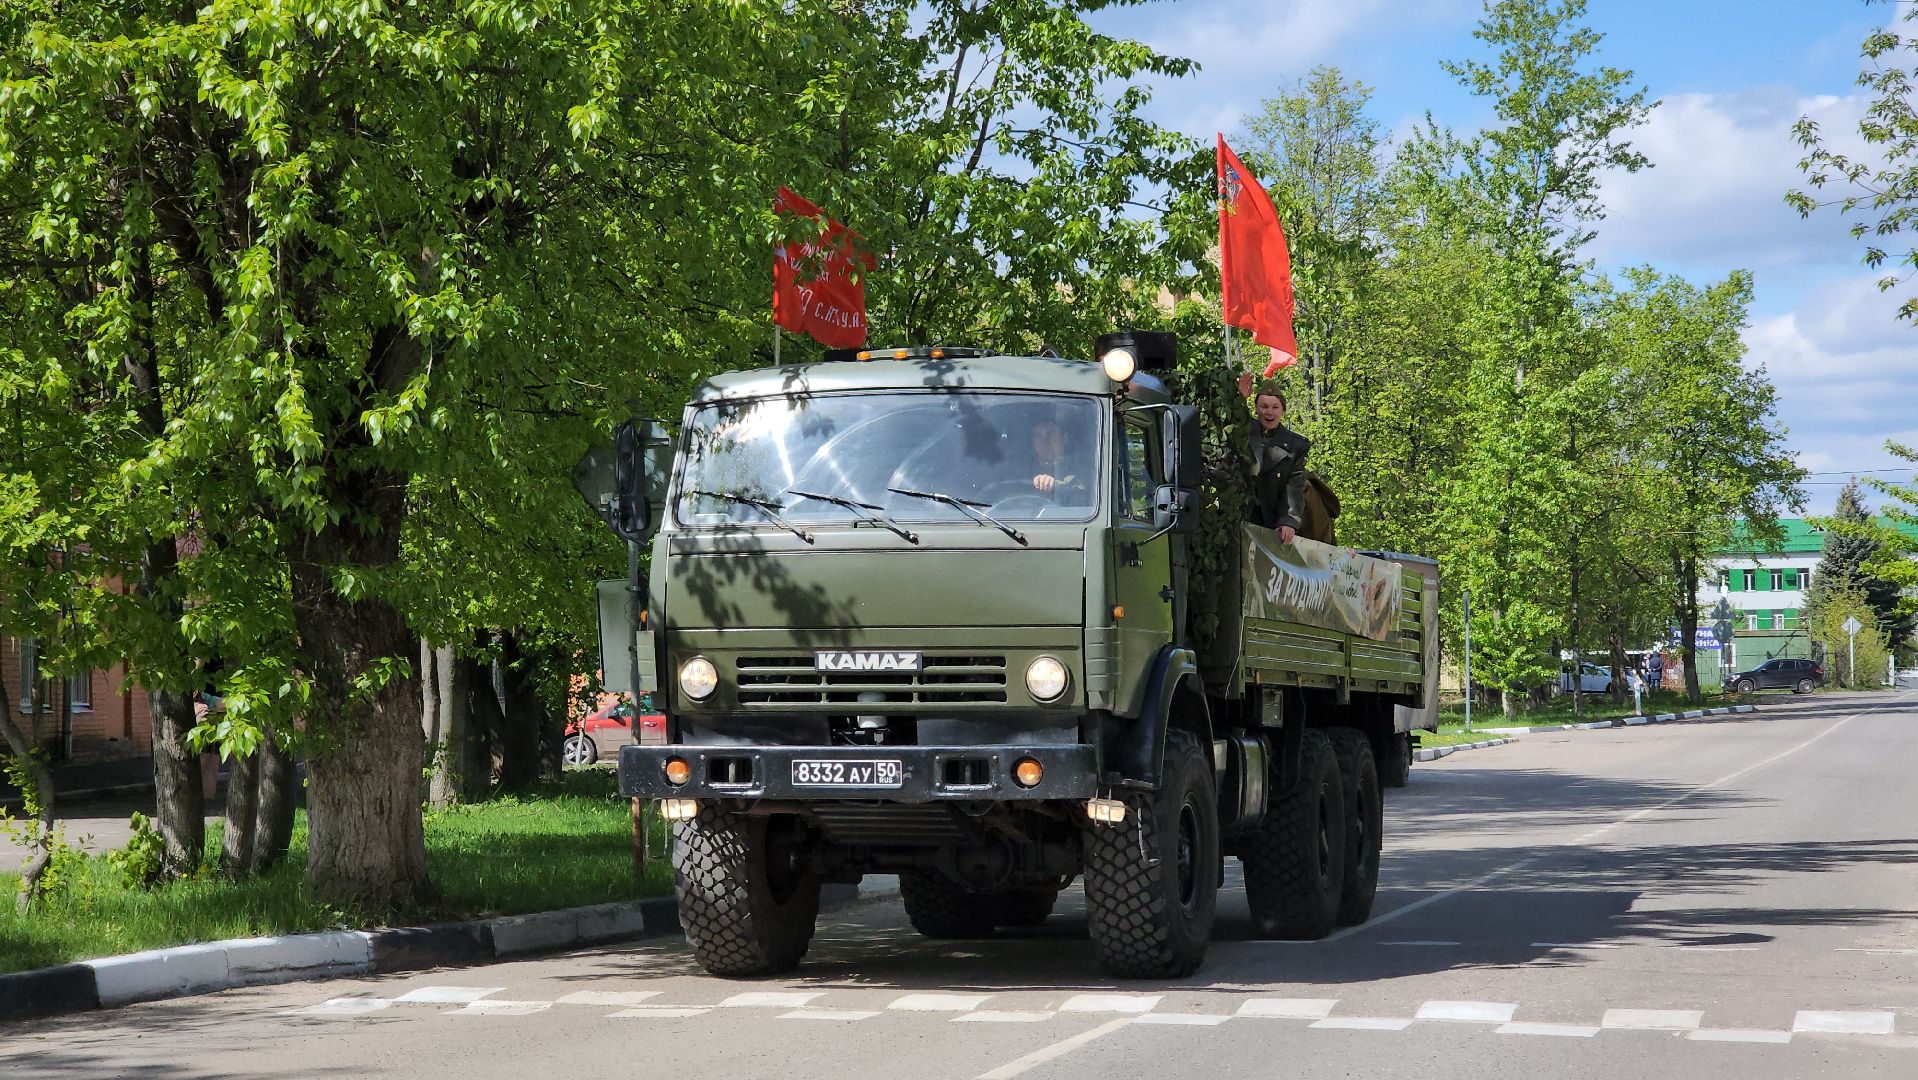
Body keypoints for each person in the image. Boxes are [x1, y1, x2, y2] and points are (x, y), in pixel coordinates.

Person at [1240, 378, 1310, 543]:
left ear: (1283, 410)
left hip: (1272, 521)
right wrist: (1240, 398)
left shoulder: (1295, 445)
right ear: (1256, 409)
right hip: (1242, 517)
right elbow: (1234, 420)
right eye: (1264, 407)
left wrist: (1288, 521)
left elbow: (1294, 486)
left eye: (1275, 407)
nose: (1269, 412)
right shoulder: (1244, 432)